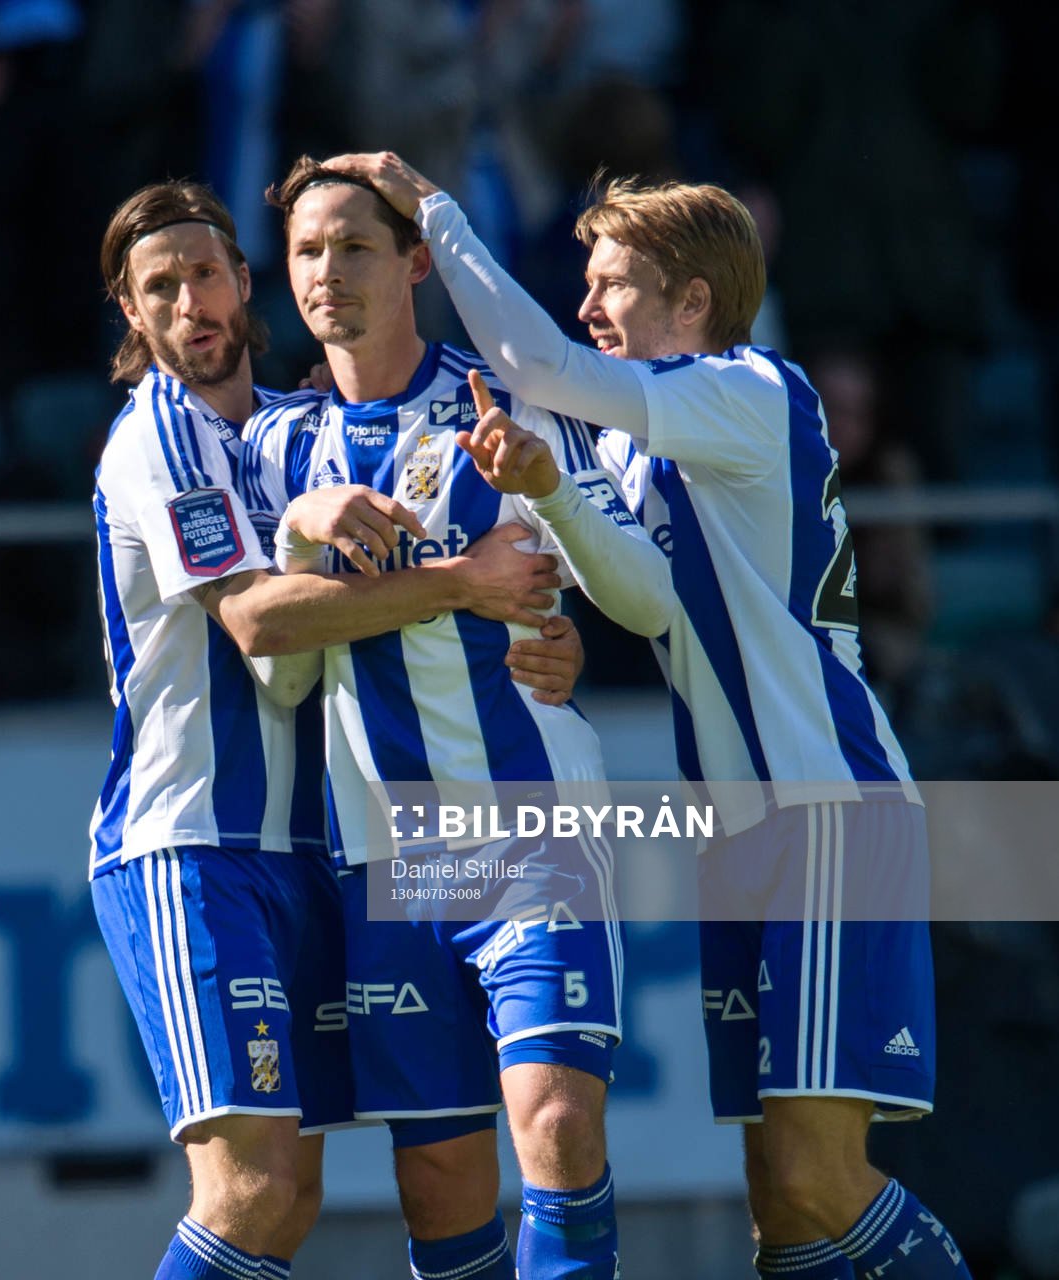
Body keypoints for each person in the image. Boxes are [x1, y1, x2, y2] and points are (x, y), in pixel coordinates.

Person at [328, 149, 971, 1280]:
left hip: (825, 806)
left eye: (612, 282)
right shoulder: (639, 444)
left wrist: (431, 206)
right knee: (779, 1198)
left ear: (692, 301)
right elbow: (643, 600)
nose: (588, 304)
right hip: (744, 833)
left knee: (821, 1175)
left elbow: (534, 358)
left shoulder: (752, 389)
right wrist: (544, 486)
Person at [92, 179, 586, 1280]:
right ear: (130, 315)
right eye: (157, 287)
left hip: (320, 851)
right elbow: (263, 621)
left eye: (205, 273)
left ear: (243, 282)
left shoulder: (282, 431)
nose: (189, 303)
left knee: (313, 1187)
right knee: (254, 1187)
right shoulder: (160, 437)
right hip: (194, 847)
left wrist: (548, 638)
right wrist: (464, 583)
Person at [242, 156, 677, 1280]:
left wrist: (566, 617)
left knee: (559, 1128)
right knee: (440, 1189)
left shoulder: (501, 401)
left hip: (535, 827)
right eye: (305, 250)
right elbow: (277, 673)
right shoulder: (279, 449)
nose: (326, 272)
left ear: (416, 260)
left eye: (353, 246)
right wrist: (301, 531)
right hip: (389, 860)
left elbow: (617, 574)